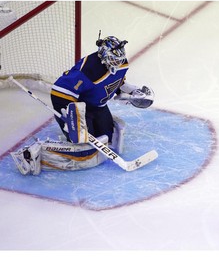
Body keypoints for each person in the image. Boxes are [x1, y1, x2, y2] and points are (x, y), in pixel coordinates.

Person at [11, 35, 154, 175]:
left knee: (107, 137)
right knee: (85, 148)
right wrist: (70, 114)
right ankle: (35, 155)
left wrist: (133, 91)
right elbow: (60, 91)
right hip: (77, 105)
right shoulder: (89, 70)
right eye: (112, 59)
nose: (116, 62)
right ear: (103, 55)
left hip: (97, 106)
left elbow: (117, 82)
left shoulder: (121, 63)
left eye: (118, 58)